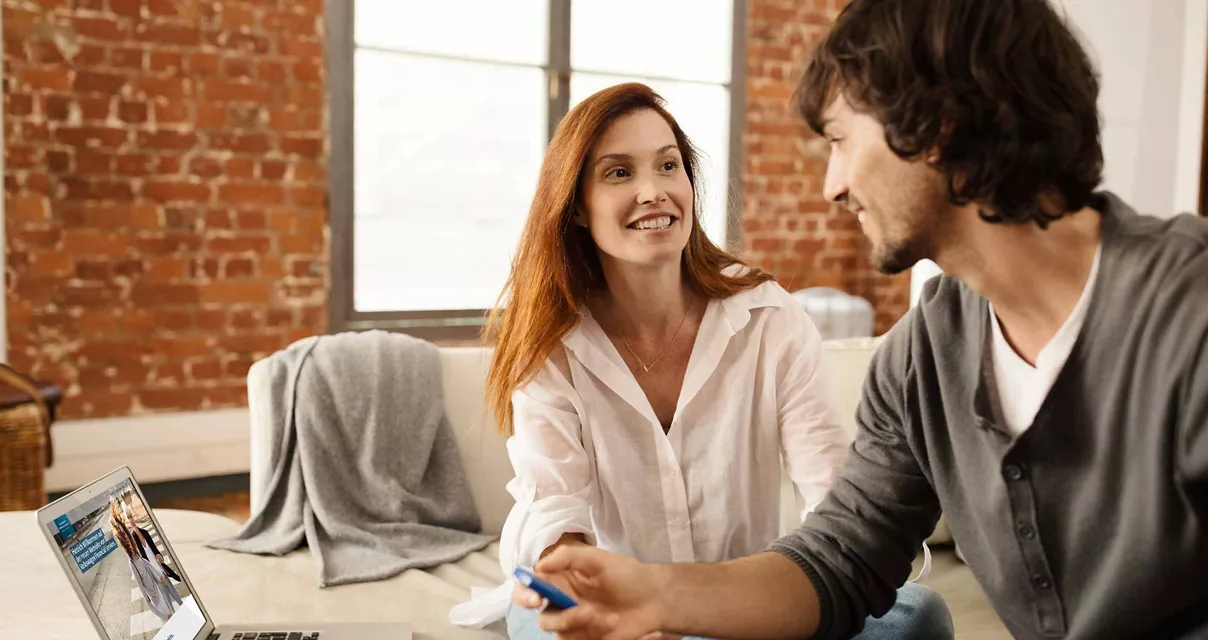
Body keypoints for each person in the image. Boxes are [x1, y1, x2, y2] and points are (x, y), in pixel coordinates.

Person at [513, 1, 1208, 639]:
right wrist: (655, 595)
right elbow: (841, 560)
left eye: (841, 140)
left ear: (939, 125)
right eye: (617, 174)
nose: (832, 184)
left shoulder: (1187, 315)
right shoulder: (920, 360)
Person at [448, 82, 952, 639]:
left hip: (748, 604)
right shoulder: (551, 346)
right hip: (613, 602)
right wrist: (575, 580)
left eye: (669, 166)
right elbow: (554, 506)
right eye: (619, 173)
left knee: (918, 618)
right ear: (577, 210)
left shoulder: (770, 320)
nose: (654, 191)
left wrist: (796, 601)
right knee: (540, 620)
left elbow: (831, 495)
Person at [110, 500, 182, 621]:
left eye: (131, 516)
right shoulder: (133, 540)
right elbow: (142, 564)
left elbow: (155, 550)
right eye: (128, 518)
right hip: (155, 581)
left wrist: (159, 557)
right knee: (170, 608)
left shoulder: (145, 533)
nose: (131, 520)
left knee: (178, 599)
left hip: (161, 573)